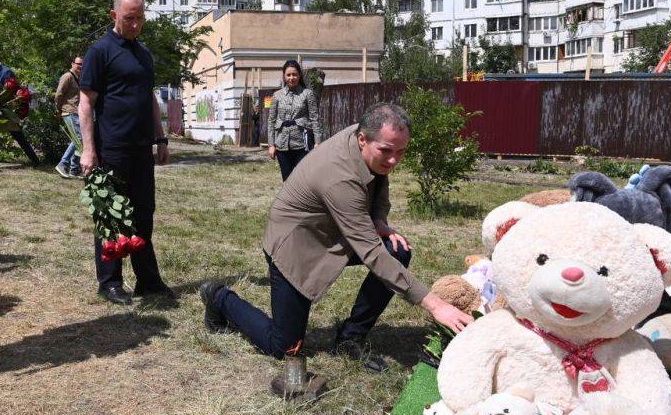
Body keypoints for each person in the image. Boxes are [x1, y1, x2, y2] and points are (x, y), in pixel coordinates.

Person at [198, 103, 473, 372]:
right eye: (387, 151)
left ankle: (350, 338)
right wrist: (434, 304)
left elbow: (379, 178)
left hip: (334, 231)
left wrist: (378, 220)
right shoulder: (339, 176)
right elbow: (372, 254)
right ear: (363, 139)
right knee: (284, 346)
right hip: (296, 246)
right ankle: (220, 297)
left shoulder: (367, 138)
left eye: (401, 152)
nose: (394, 160)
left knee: (396, 251)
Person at [79, 0, 174, 305]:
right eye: (129, 18)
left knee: (144, 214)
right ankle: (109, 282)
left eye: (140, 18)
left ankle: (148, 280)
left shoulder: (143, 54)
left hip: (141, 148)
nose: (135, 24)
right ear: (114, 16)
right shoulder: (100, 52)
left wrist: (160, 139)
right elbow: (85, 104)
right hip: (112, 149)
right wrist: (88, 149)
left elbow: (149, 99)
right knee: (111, 216)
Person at [0, 51, 40, 166]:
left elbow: (10, 91)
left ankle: (35, 161)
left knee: (17, 135)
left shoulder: (6, 72)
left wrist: (5, 105)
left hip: (9, 109)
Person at [267, 59, 320, 181]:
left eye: (295, 74)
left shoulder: (307, 94)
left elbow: (314, 118)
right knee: (287, 179)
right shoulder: (277, 95)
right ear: (284, 76)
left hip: (302, 144)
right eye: (288, 75)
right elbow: (271, 121)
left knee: (302, 179)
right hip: (281, 145)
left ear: (299, 75)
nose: (292, 77)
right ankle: (289, 200)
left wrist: (317, 141)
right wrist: (271, 145)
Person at [54, 56, 83, 178]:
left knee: (77, 140)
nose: (81, 67)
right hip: (69, 112)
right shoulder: (68, 76)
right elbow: (59, 95)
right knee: (80, 139)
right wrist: (58, 111)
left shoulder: (79, 78)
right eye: (78, 64)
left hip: (77, 112)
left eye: (82, 65)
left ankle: (74, 169)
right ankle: (62, 163)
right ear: (72, 64)